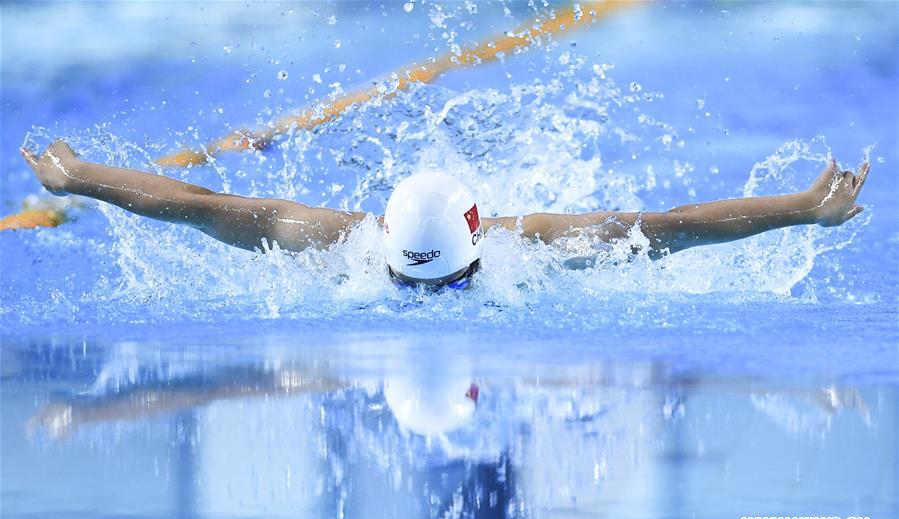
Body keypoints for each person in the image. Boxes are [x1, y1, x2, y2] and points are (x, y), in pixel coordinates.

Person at [20, 141, 870, 290]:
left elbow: (206, 208)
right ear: (475, 231)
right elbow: (675, 224)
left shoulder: (340, 246)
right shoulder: (523, 250)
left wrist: (85, 179)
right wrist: (799, 210)